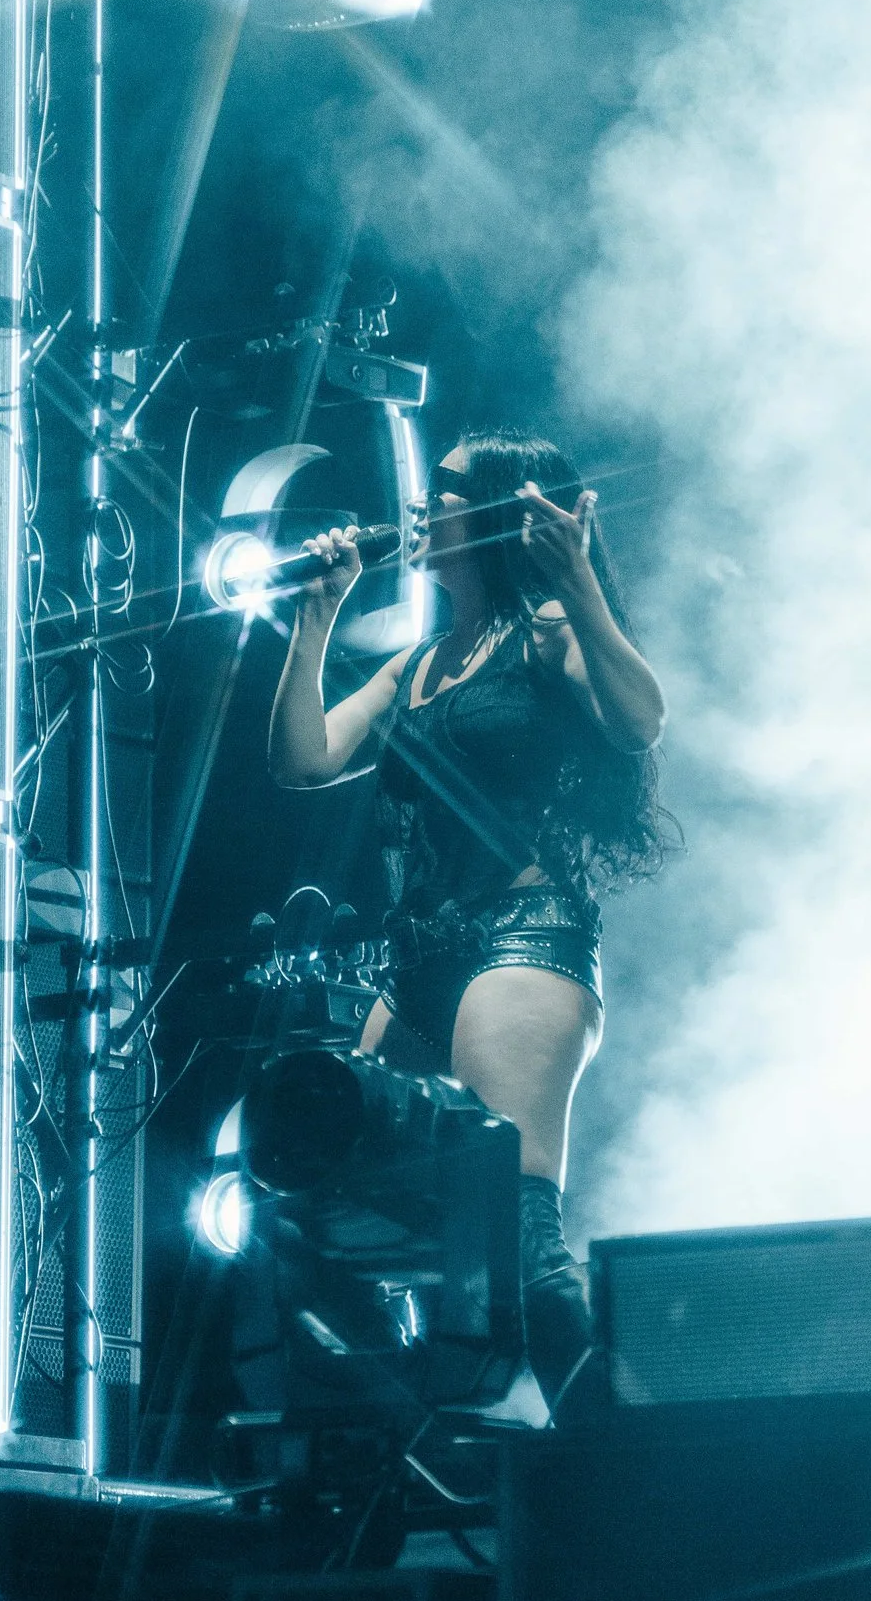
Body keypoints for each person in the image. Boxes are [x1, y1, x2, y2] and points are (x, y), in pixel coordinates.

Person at [267, 429, 672, 1402]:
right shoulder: (412, 666)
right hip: (419, 964)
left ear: (488, 514)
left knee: (515, 1240)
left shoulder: (545, 635)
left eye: (440, 492)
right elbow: (304, 759)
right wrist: (314, 619)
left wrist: (578, 585)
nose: (419, 505)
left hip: (521, 944)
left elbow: (640, 718)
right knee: (311, 1219)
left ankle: (613, 1457)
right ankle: (432, 1426)